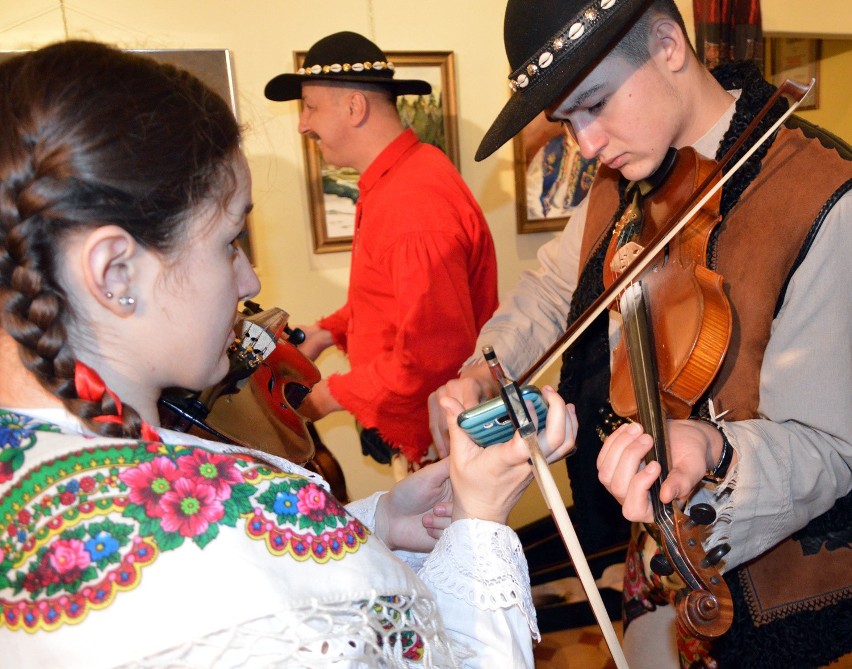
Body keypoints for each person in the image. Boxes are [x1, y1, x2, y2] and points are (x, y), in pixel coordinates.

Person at [0, 40, 580, 668]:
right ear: (114, 272)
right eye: (228, 244)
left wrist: (371, 509)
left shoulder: (413, 198)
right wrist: (481, 525)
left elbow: (422, 348)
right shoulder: (391, 189)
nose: (249, 281)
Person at [430, 1, 852, 667]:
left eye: (594, 103)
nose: (587, 144)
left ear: (667, 45)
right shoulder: (624, 174)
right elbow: (551, 291)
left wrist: (715, 446)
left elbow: (835, 447)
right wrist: (487, 368)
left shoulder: (825, 197)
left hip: (783, 604)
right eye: (568, 121)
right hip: (654, 563)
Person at [264, 31, 499, 473]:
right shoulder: (401, 176)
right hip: (413, 429)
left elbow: (430, 354)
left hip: (435, 441)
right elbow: (391, 298)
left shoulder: (413, 204)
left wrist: (325, 397)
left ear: (354, 107)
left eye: (310, 106)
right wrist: (328, 331)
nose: (302, 123)